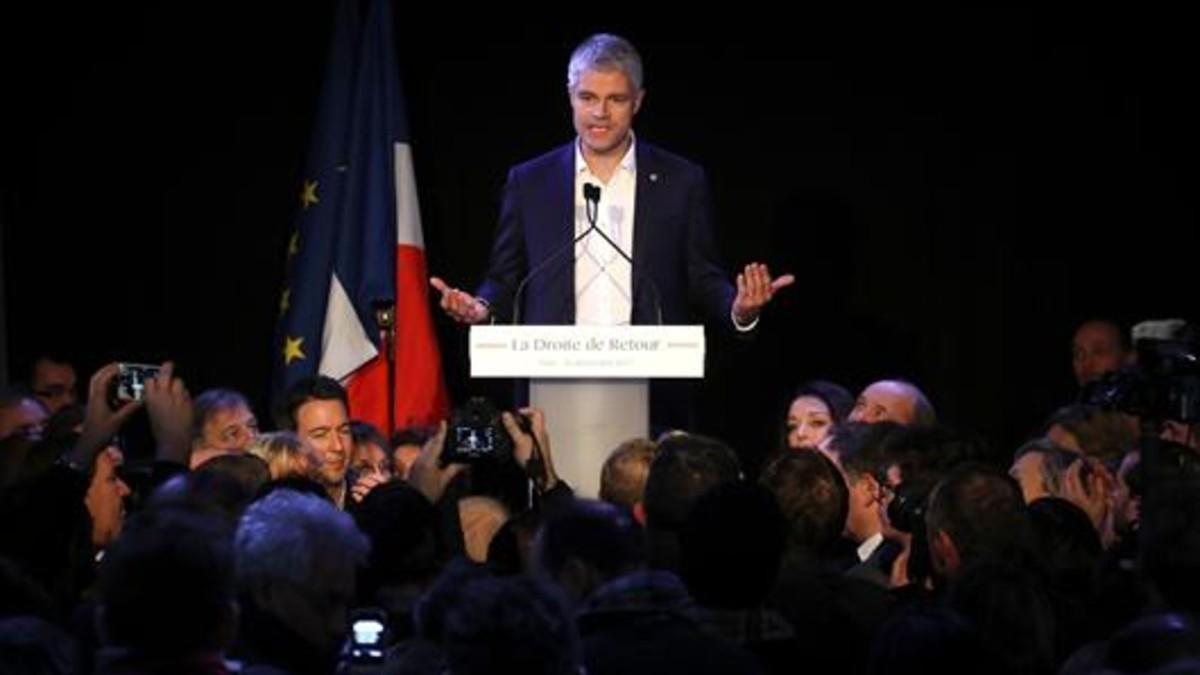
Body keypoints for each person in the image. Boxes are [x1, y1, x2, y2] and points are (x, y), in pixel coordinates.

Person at [429, 33, 792, 427]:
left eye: (615, 99)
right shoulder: (530, 181)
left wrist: (738, 310)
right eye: (587, 97)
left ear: (637, 101)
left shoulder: (681, 180)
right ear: (570, 96)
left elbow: (703, 277)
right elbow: (504, 277)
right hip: (551, 390)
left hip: (652, 393)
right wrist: (480, 308)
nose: (599, 113)